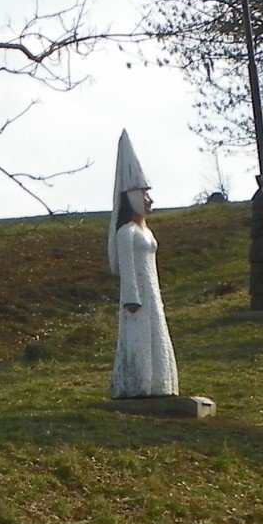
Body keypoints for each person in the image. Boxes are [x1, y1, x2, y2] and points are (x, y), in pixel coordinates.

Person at [108, 131, 180, 398]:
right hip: (138, 296)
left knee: (156, 335)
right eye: (145, 195)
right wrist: (131, 296)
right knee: (138, 336)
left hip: (153, 294)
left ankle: (159, 383)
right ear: (133, 197)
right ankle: (138, 383)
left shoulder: (146, 232)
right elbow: (126, 268)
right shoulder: (126, 232)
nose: (149, 201)